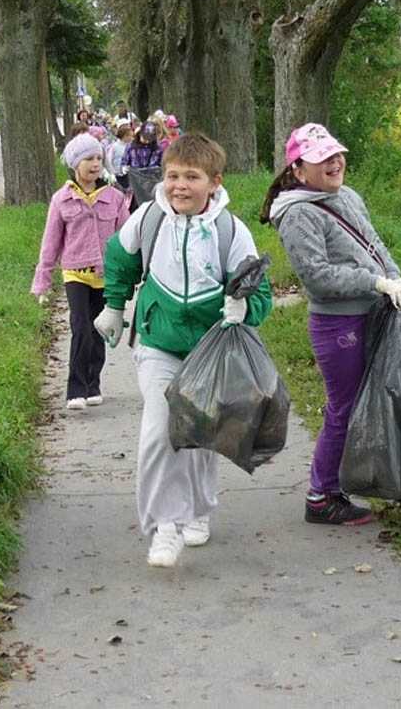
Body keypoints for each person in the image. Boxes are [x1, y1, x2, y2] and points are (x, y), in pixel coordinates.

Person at [94, 133, 273, 567]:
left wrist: (243, 306)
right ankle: (163, 527)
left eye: (191, 177)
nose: (179, 186)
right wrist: (114, 307)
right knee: (161, 430)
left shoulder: (231, 230)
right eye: (172, 175)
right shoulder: (150, 217)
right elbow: (119, 255)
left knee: (200, 434)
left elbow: (259, 291)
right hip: (158, 343)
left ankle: (197, 509)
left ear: (214, 182)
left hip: (210, 352)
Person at [260, 122, 401, 524]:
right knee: (346, 408)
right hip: (339, 326)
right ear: (299, 170)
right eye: (322, 159)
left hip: (376, 312)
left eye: (336, 155)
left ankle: (394, 482)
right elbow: (317, 275)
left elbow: (372, 244)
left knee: (389, 399)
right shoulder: (298, 215)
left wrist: (394, 276)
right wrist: (374, 281)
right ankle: (321, 495)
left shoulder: (347, 196)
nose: (335, 163)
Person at [31, 133, 131, 410]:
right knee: (80, 328)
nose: (95, 164)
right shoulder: (61, 200)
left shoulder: (115, 198)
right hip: (75, 273)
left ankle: (92, 383)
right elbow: (50, 243)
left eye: (99, 158)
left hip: (105, 277)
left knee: (99, 330)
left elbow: (128, 239)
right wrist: (43, 281)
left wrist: (135, 273)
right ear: (75, 163)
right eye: (89, 158)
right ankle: (75, 389)